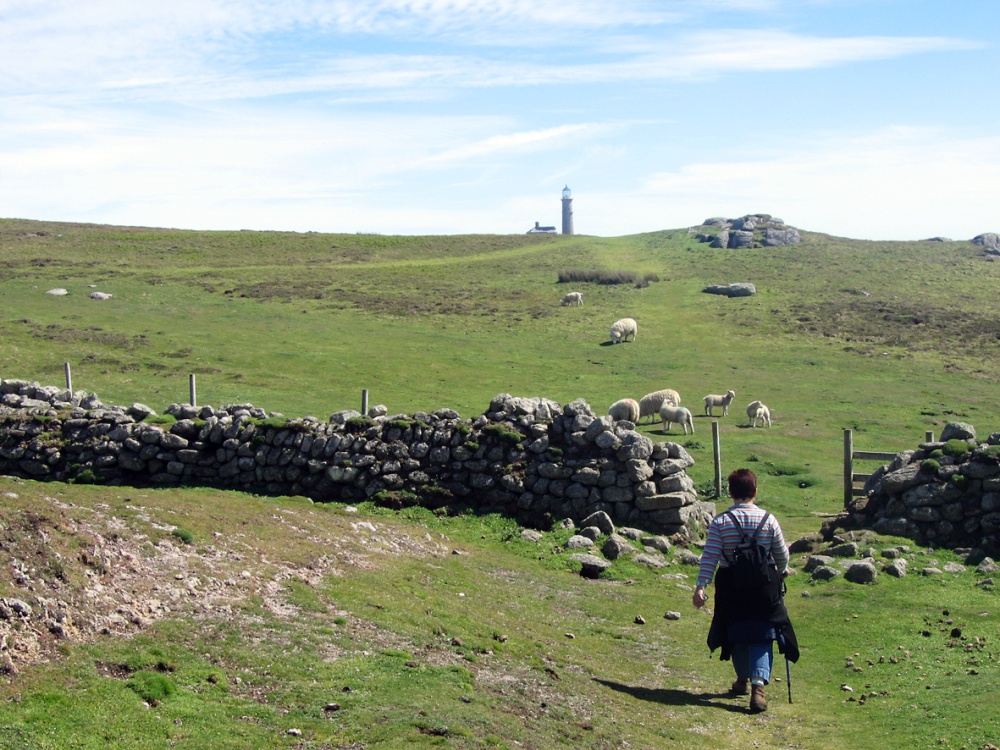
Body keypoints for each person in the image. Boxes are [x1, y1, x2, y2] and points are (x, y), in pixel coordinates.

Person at [692, 468, 799, 713]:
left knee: (737, 630)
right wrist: (782, 571)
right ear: (755, 491)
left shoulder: (721, 522)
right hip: (764, 586)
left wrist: (701, 586)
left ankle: (742, 679)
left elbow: (710, 557)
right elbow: (782, 554)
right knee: (764, 632)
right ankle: (758, 687)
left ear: (731, 492)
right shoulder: (769, 519)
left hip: (732, 584)